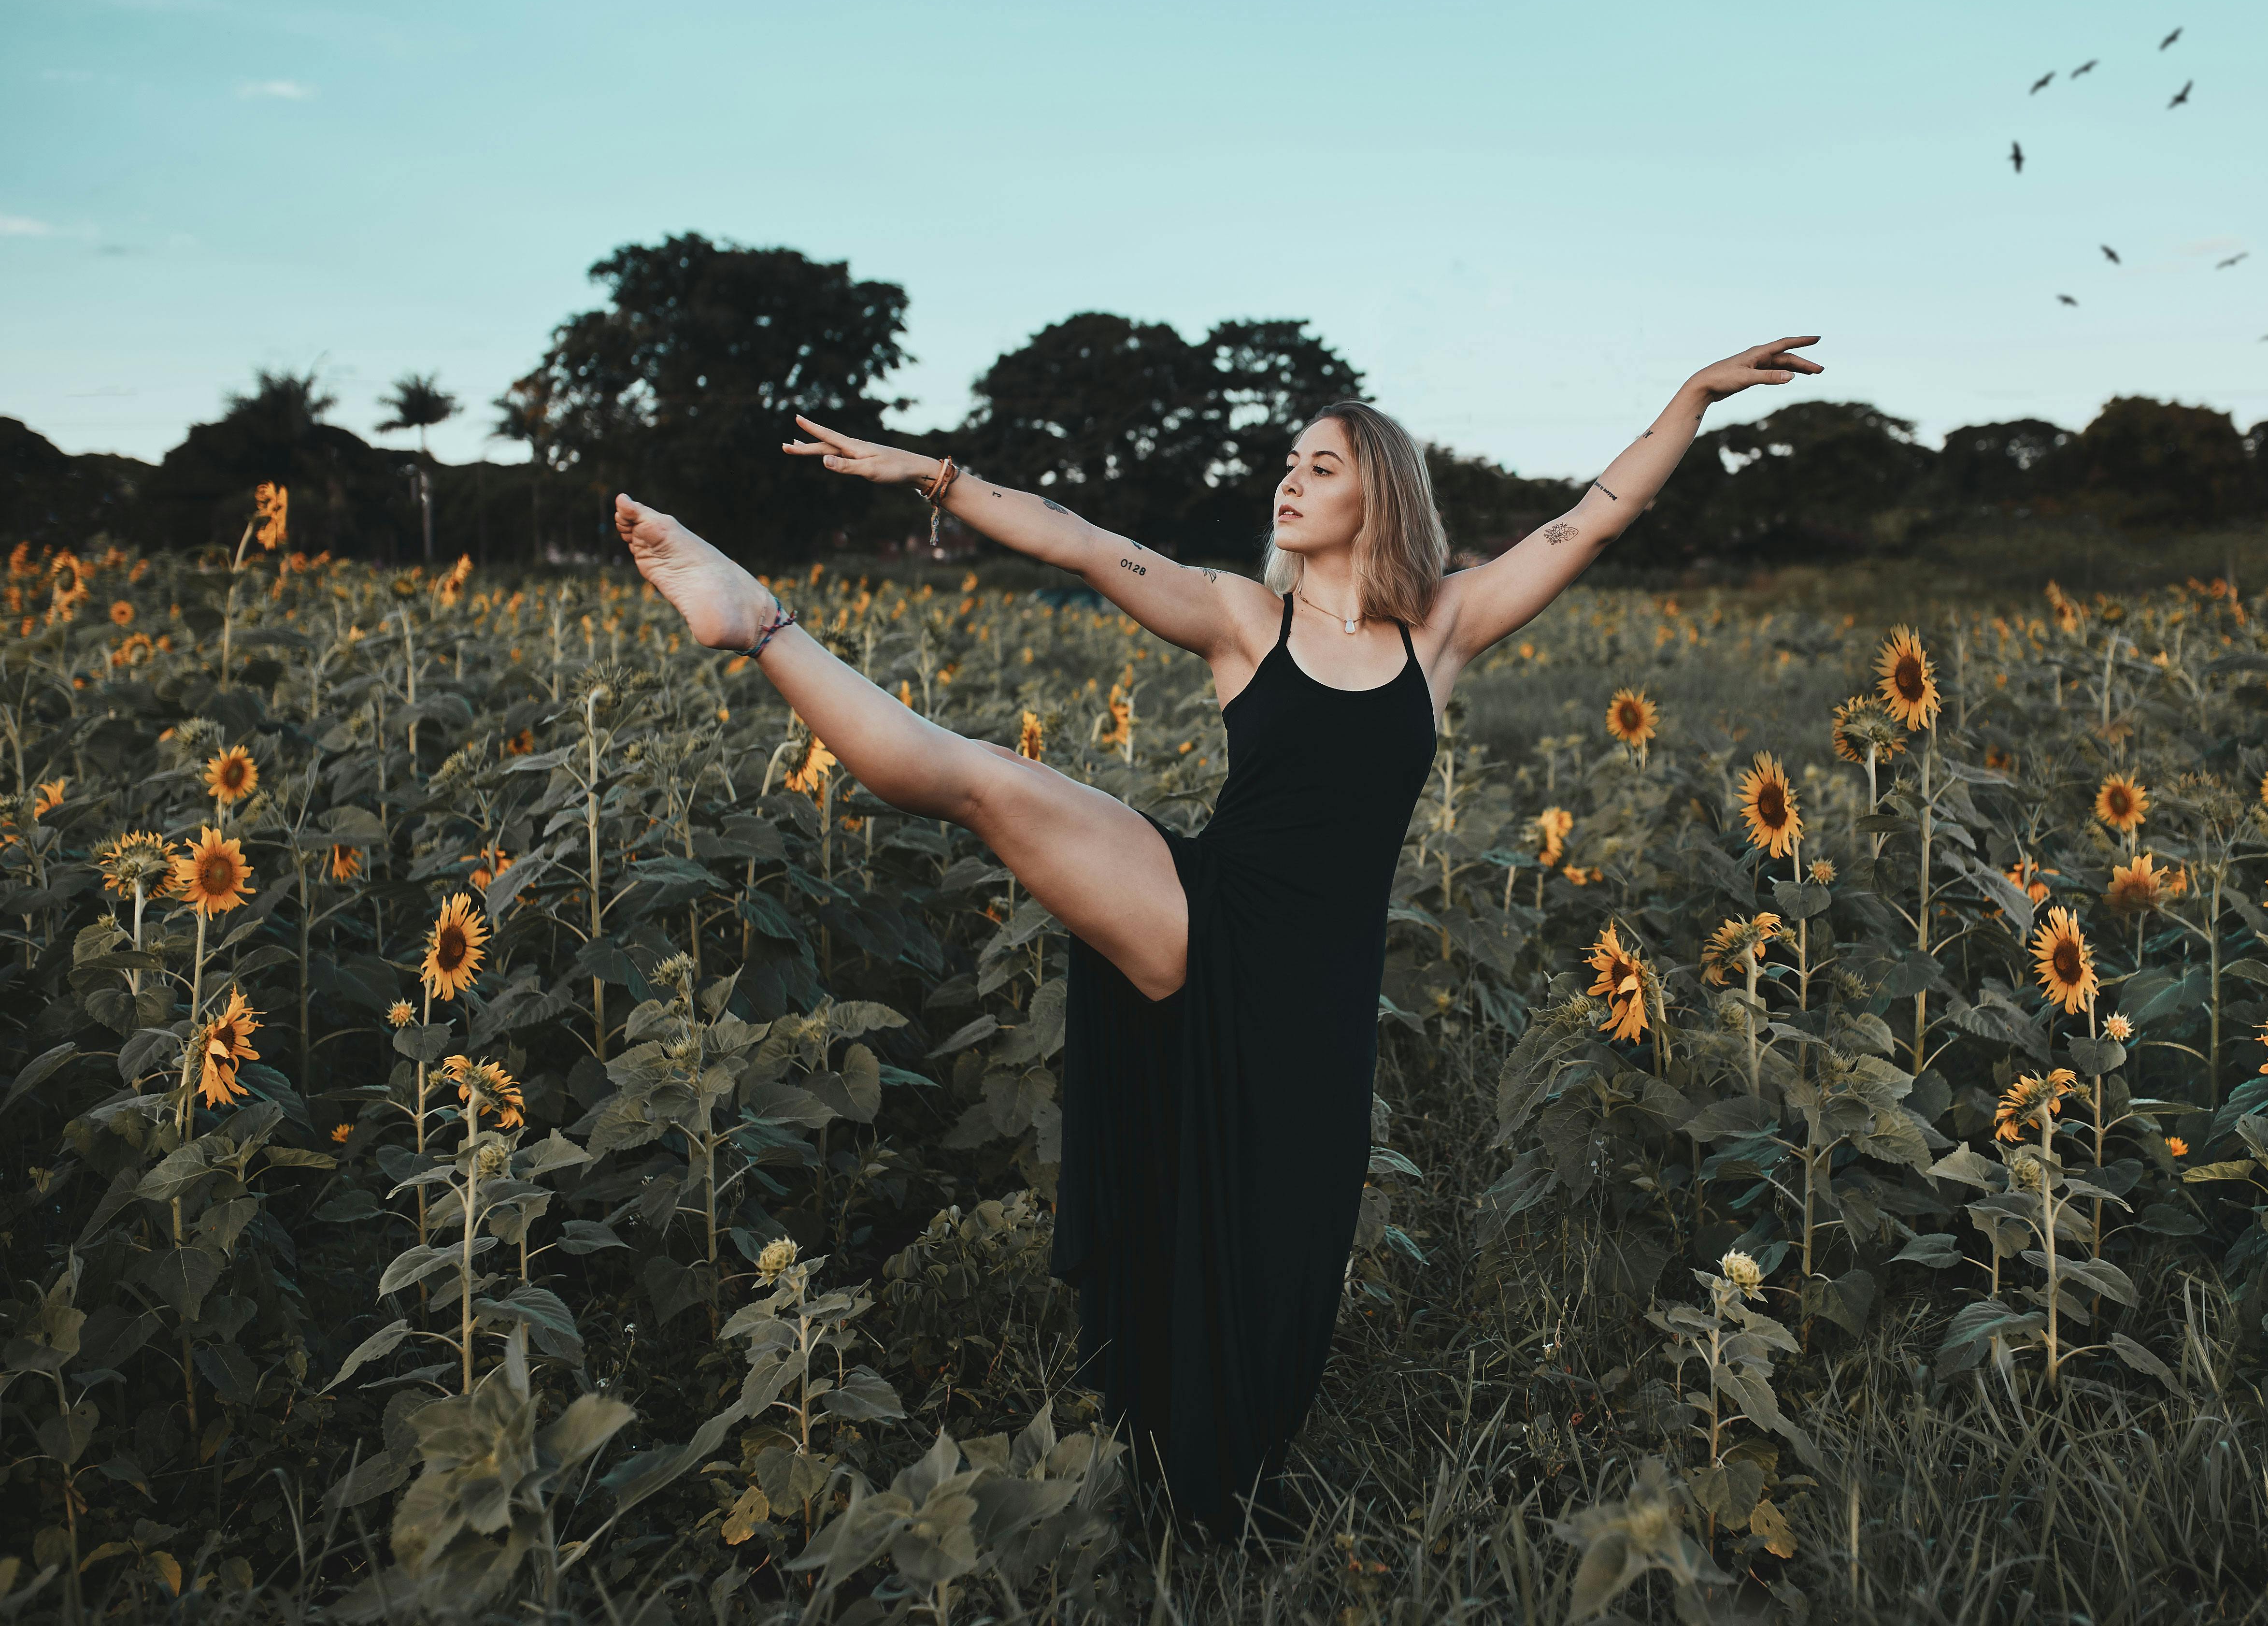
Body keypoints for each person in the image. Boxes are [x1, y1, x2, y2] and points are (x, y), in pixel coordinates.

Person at [613, 334, 1823, 1539]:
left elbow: (1591, 520)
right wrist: (924, 472)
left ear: (1379, 494)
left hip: (1319, 999)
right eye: (1286, 464)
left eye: (1321, 466)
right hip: (1201, 917)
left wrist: (1692, 397)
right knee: (976, 777)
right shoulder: (1247, 619)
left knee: (1291, 1257)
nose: (1289, 481)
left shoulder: (1439, 633)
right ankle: (757, 619)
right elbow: (1080, 539)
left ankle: (1217, 1475)